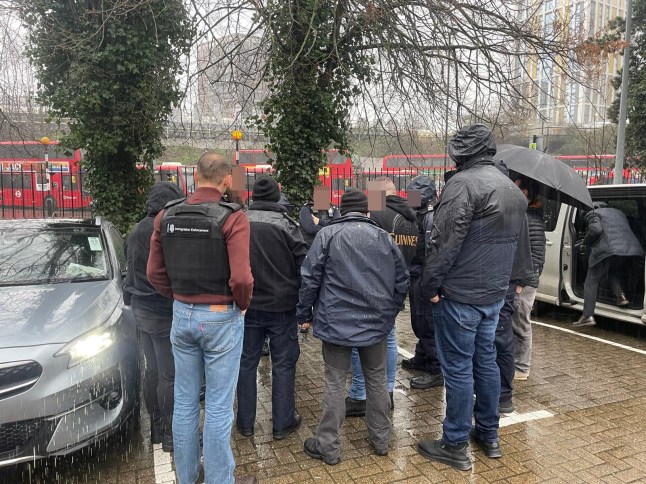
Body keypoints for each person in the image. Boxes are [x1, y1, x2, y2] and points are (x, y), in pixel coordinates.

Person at [417, 124, 527, 471]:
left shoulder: (463, 184)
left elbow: (443, 243)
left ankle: (454, 443)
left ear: (461, 153)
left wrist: (429, 287)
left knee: (459, 369)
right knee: (486, 362)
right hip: (493, 295)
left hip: (460, 296)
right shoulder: (511, 189)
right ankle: (489, 434)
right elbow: (516, 247)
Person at [147, 152, 257, 484]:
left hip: (182, 315)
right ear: (227, 180)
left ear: (195, 176)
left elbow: (153, 273)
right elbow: (242, 279)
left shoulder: (166, 215)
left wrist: (180, 297)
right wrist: (242, 305)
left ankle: (188, 476)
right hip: (221, 317)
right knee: (219, 407)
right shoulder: (233, 218)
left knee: (184, 402)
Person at [298, 188, 409, 465]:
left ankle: (328, 447)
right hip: (375, 323)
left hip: (336, 323)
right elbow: (402, 279)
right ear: (367, 211)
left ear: (342, 210)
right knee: (377, 380)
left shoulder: (328, 235)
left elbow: (309, 279)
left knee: (335, 383)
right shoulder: (383, 237)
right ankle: (381, 440)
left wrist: (304, 313)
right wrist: (390, 312)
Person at [236, 175, 308, 439]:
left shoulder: (239, 222)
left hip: (247, 306)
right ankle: (282, 422)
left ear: (253, 195)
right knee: (283, 364)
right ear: (277, 196)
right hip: (282, 307)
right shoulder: (288, 226)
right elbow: (304, 267)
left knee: (246, 363)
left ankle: (245, 423)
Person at [345, 177, 417, 417]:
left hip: (372, 287)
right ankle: (387, 393)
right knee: (390, 338)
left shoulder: (376, 215)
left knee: (360, 341)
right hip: (395, 288)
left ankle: (359, 395)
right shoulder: (411, 218)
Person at [124, 181, 183, 453]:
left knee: (152, 370)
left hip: (140, 311)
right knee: (168, 374)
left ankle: (156, 429)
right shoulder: (166, 229)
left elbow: (130, 271)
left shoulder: (135, 231)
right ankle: (171, 434)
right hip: (161, 311)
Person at [493, 164, 535, 414]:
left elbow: (522, 246)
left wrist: (519, 281)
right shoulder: (514, 203)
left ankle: (503, 395)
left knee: (499, 337)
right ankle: (501, 394)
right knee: (501, 336)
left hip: (501, 281)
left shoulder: (510, 205)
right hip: (505, 281)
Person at [401, 175, 444, 390]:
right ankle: (422, 356)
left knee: (426, 323)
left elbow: (430, 253)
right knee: (419, 321)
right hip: (417, 275)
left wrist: (429, 284)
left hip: (423, 277)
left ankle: (435, 369)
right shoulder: (420, 215)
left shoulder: (429, 217)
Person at [573, 202, 644, 327]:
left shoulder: (593, 213)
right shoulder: (619, 213)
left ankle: (587, 316)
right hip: (629, 249)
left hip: (609, 250)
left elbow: (595, 230)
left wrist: (585, 243)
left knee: (591, 281)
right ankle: (620, 296)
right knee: (611, 271)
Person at [511, 175, 547, 380]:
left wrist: (523, 282)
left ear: (524, 193)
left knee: (521, 324)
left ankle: (522, 367)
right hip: (520, 279)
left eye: (516, 187)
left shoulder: (530, 219)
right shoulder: (525, 216)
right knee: (515, 323)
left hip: (523, 282)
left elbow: (537, 257)